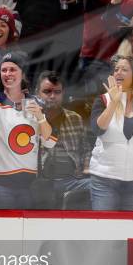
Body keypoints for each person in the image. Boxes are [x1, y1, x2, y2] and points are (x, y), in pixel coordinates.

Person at [0, 45, 57, 209]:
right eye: (4, 70)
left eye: (12, 69)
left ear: (22, 73)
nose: (7, 74)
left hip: (28, 185)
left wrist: (41, 118)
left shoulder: (37, 103)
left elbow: (50, 142)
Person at [88, 55, 133, 211]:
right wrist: (114, 103)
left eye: (124, 69)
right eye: (116, 69)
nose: (118, 73)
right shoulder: (103, 99)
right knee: (104, 231)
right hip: (105, 180)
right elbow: (98, 128)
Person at [35, 70, 91, 208]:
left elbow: (86, 150)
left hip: (72, 181)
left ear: (63, 93)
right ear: (38, 93)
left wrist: (86, 168)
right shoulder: (30, 120)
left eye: (57, 92)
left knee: (99, 186)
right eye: (47, 91)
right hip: (40, 182)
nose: (52, 96)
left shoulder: (75, 118)